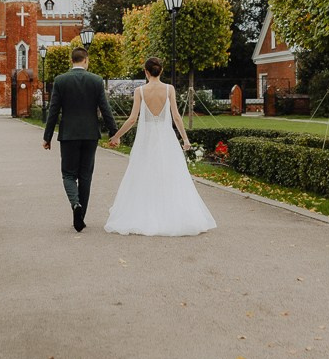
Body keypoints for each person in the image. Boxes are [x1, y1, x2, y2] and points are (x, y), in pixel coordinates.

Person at [104, 57, 216, 237]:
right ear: (161, 71)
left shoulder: (139, 91)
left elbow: (132, 119)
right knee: (170, 174)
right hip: (166, 139)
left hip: (146, 140)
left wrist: (116, 136)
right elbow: (177, 117)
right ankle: (170, 213)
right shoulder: (169, 89)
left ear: (146, 72)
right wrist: (185, 139)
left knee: (143, 174)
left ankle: (145, 212)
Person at [42, 46, 118, 232]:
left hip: (68, 135)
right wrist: (114, 133)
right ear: (85, 60)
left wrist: (47, 136)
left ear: (71, 61)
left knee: (68, 174)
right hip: (90, 134)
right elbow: (105, 109)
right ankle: (81, 217)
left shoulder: (60, 81)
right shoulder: (96, 81)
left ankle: (75, 205)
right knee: (85, 176)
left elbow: (53, 111)